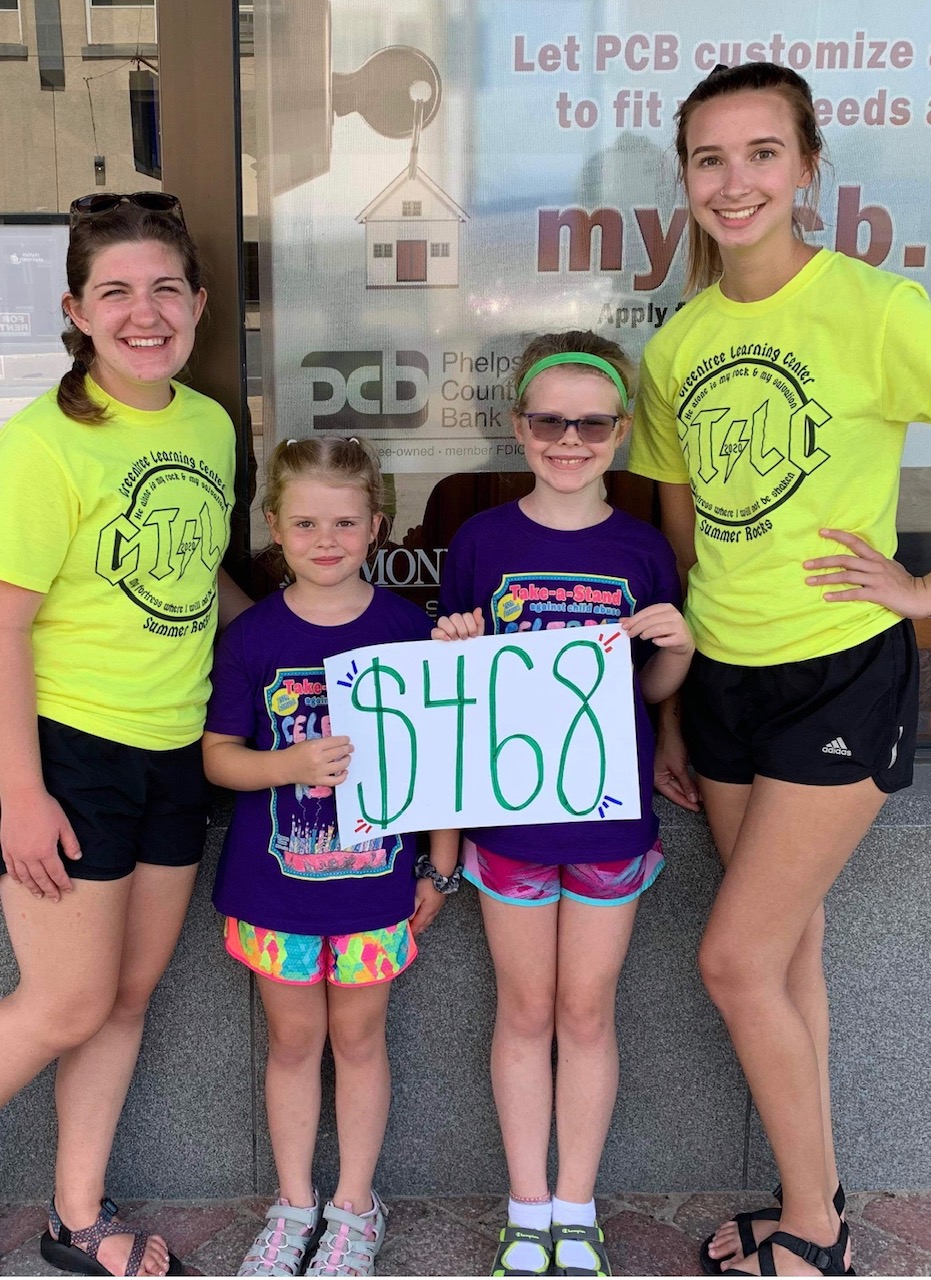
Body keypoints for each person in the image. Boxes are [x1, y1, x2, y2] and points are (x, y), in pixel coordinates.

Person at [627, 62, 931, 1278]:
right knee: (787, 950)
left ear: (808, 167)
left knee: (732, 958)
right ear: (686, 179)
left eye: (762, 153)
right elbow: (681, 530)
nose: (735, 181)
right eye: (709, 158)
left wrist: (928, 589)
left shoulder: (876, 308)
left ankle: (815, 1230)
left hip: (839, 675)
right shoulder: (680, 342)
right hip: (722, 679)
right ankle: (812, 1188)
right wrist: (673, 706)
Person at [0, 192, 240, 1276]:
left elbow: (200, 580)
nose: (145, 313)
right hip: (71, 752)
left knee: (123, 998)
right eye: (116, 293)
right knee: (64, 1002)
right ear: (77, 312)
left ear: (198, 302)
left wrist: (313, 642)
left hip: (174, 749)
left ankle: (77, 1217)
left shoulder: (209, 425)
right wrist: (20, 796)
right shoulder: (40, 444)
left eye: (164, 289)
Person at [434, 331, 694, 1278]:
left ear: (621, 432)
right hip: (508, 821)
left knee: (586, 1012)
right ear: (519, 428)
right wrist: (456, 645)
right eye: (550, 422)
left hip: (606, 820)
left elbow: (648, 692)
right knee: (525, 1009)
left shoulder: (641, 547)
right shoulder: (481, 540)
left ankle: (575, 1207)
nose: (570, 440)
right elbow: (454, 693)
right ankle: (526, 1205)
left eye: (591, 423)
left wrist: (677, 651)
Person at [203, 437, 460, 1278]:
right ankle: (292, 1205)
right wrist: (286, 765)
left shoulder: (407, 630)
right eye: (306, 523)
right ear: (274, 527)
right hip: (274, 890)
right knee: (291, 1043)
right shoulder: (252, 637)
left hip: (375, 887)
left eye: (345, 523)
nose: (326, 540)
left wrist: (440, 866)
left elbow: (441, 766)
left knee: (358, 1039)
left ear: (376, 526)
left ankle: (353, 1206)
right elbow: (219, 758)